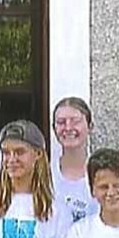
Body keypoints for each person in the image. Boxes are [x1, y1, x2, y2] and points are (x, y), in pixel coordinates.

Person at [50, 95, 98, 226]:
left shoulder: (102, 174)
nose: (68, 127)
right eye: (61, 122)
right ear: (54, 129)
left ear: (90, 126)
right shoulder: (44, 175)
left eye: (75, 121)